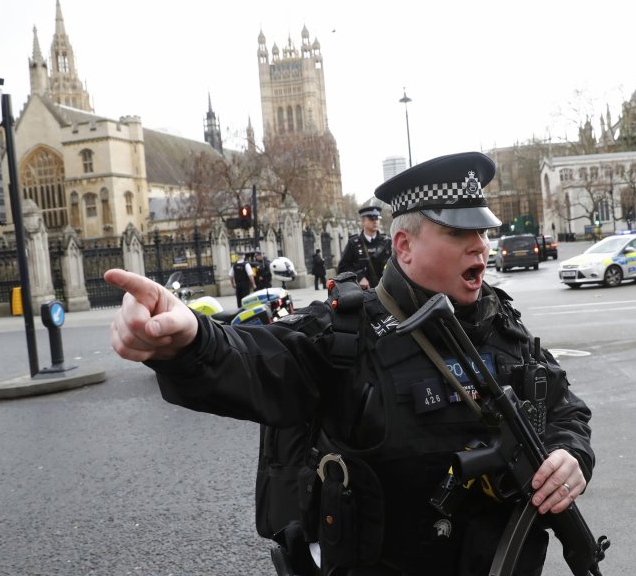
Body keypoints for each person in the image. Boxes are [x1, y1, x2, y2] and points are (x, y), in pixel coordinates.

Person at [104, 151, 595, 576]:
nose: (480, 246)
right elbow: (254, 361)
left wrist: (570, 455)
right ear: (404, 246)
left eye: (483, 233)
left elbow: (564, 408)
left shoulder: (501, 322)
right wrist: (189, 338)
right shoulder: (346, 334)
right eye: (457, 232)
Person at [337, 204, 392, 289]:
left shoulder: (387, 242)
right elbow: (343, 267)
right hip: (363, 293)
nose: (375, 221)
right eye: (371, 218)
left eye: (377, 218)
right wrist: (359, 277)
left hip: (386, 291)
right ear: (362, 221)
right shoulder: (353, 243)